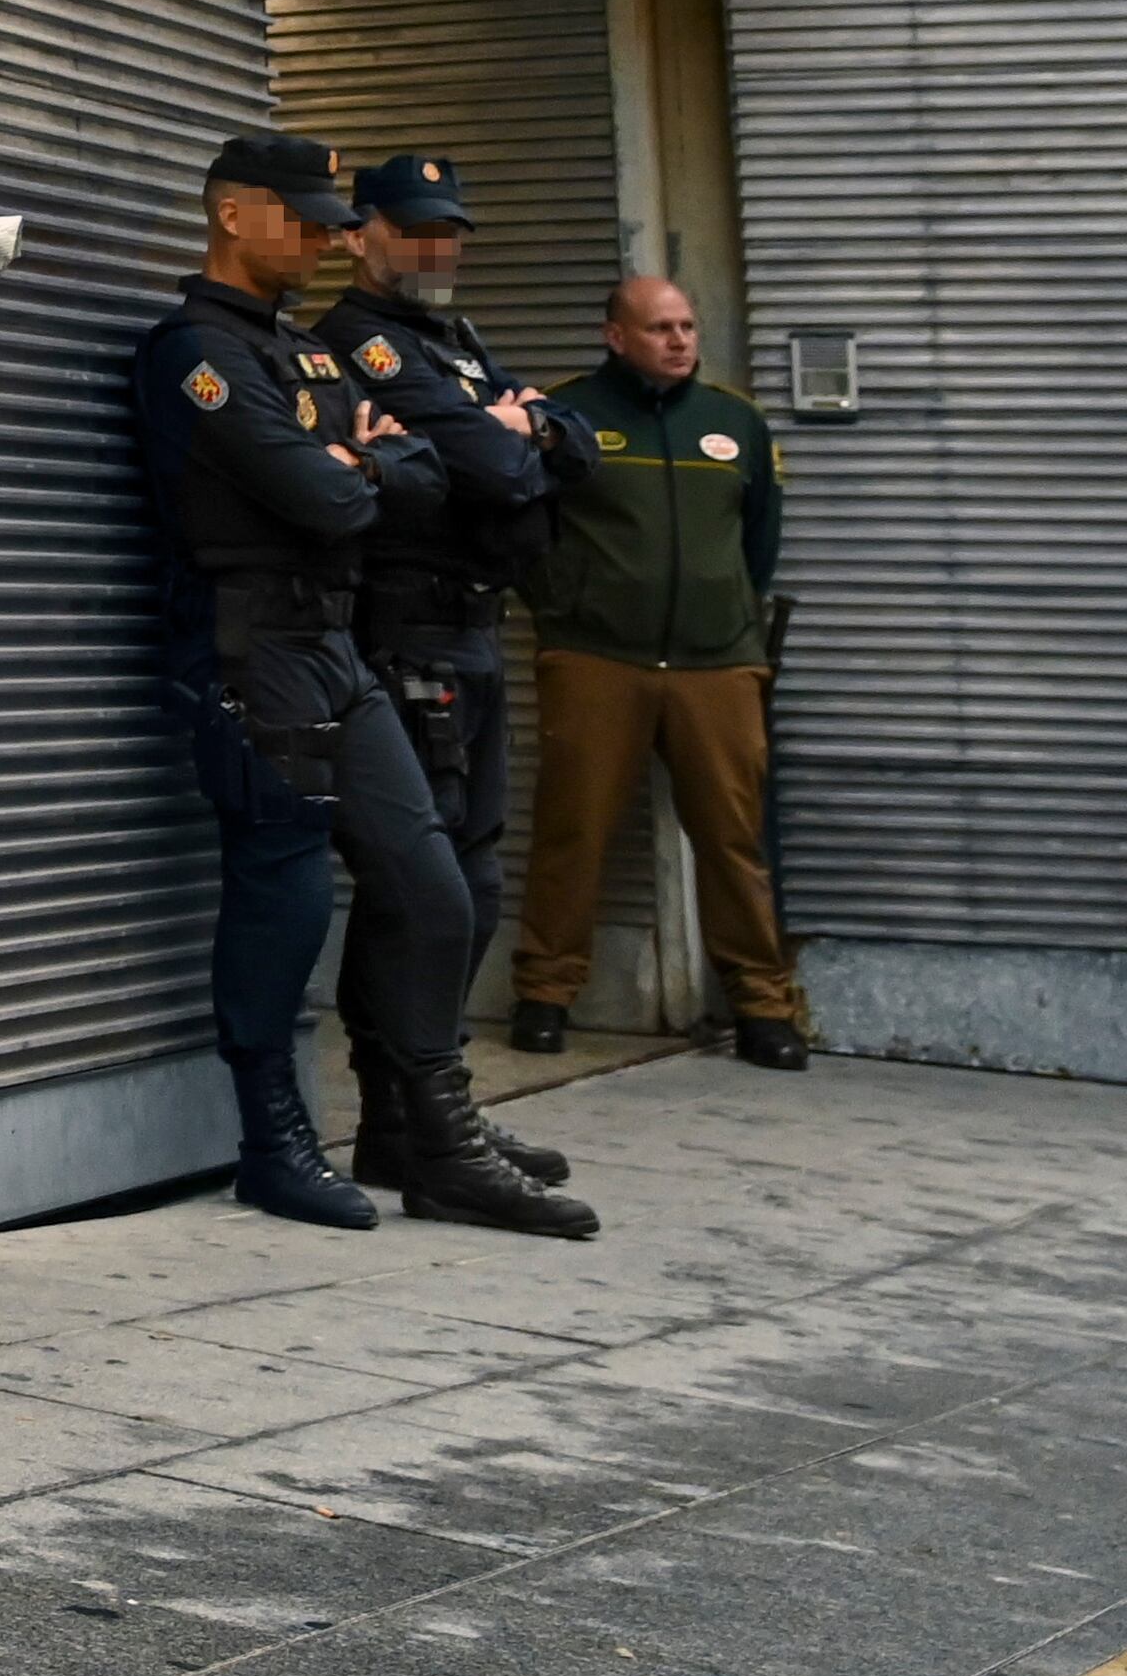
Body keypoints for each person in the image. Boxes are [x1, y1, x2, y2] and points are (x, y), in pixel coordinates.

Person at [136, 139, 592, 1240]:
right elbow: (331, 499)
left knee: (433, 890)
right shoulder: (192, 351)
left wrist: (365, 467)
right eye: (305, 218)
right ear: (237, 216)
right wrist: (367, 468)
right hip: (255, 653)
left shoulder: (302, 354)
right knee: (279, 897)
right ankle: (273, 1144)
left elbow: (421, 484)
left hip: (336, 647)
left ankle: (431, 1137)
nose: (330, 237)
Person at [315, 155, 584, 1188]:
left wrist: (528, 431)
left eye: (450, 230)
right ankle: (415, 1117)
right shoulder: (362, 343)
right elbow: (496, 468)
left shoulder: (452, 341)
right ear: (360, 232)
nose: (438, 248)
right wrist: (513, 434)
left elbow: (568, 447)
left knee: (468, 875)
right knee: (421, 890)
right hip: (408, 632)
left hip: (472, 631)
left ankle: (425, 1105)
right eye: (416, 228)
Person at [515, 278, 806, 1067]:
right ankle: (544, 993)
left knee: (733, 841)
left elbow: (760, 541)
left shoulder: (734, 420)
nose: (679, 341)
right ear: (616, 336)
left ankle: (762, 1007)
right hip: (597, 657)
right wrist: (561, 609)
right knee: (574, 831)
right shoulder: (568, 416)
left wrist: (731, 617)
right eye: (659, 328)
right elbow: (523, 523)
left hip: (717, 664)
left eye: (687, 325)